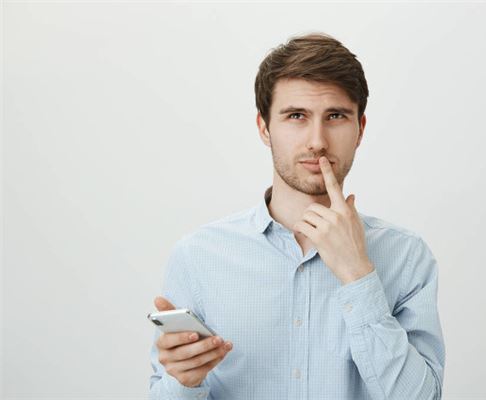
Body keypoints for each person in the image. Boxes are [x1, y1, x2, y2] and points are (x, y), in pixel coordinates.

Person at [149, 32, 445, 400]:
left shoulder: (406, 256)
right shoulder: (197, 257)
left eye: (335, 116)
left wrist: (358, 275)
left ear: (360, 129)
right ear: (264, 128)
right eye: (296, 116)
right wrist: (184, 382)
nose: (317, 141)